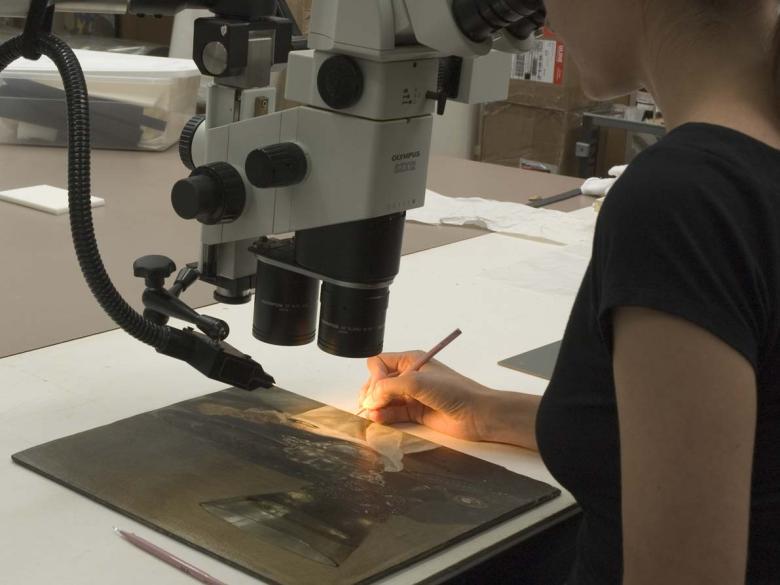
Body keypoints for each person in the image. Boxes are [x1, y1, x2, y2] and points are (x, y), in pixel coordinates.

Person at [357, 1, 780, 584]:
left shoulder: (684, 199)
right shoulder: (748, 164)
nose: (547, 14)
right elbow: (746, 456)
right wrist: (488, 412)